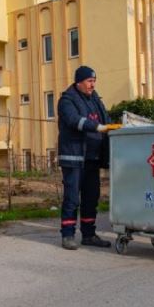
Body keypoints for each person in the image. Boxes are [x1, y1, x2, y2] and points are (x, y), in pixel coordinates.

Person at [57, 66, 119, 250]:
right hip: (74, 158)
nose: (93, 84)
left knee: (91, 198)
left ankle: (89, 234)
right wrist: (97, 127)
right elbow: (74, 120)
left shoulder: (95, 100)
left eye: (94, 81)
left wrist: (112, 127)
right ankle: (68, 235)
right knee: (72, 198)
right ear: (79, 82)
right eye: (89, 81)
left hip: (92, 158)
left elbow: (105, 119)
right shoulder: (67, 100)